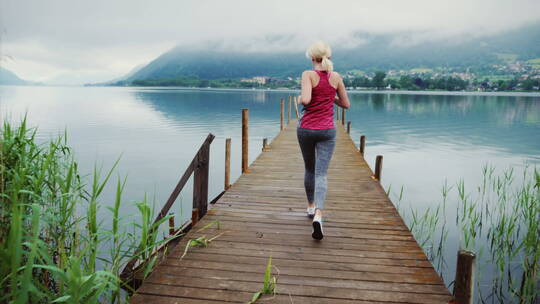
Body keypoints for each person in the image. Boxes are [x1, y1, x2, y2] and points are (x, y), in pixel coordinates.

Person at [297, 41, 350, 240]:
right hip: (327, 130)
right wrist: (330, 97)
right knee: (322, 173)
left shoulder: (307, 75)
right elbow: (346, 104)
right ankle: (319, 214)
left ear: (312, 58)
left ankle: (310, 206)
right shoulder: (336, 77)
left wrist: (301, 98)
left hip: (307, 129)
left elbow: (307, 99)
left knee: (309, 169)